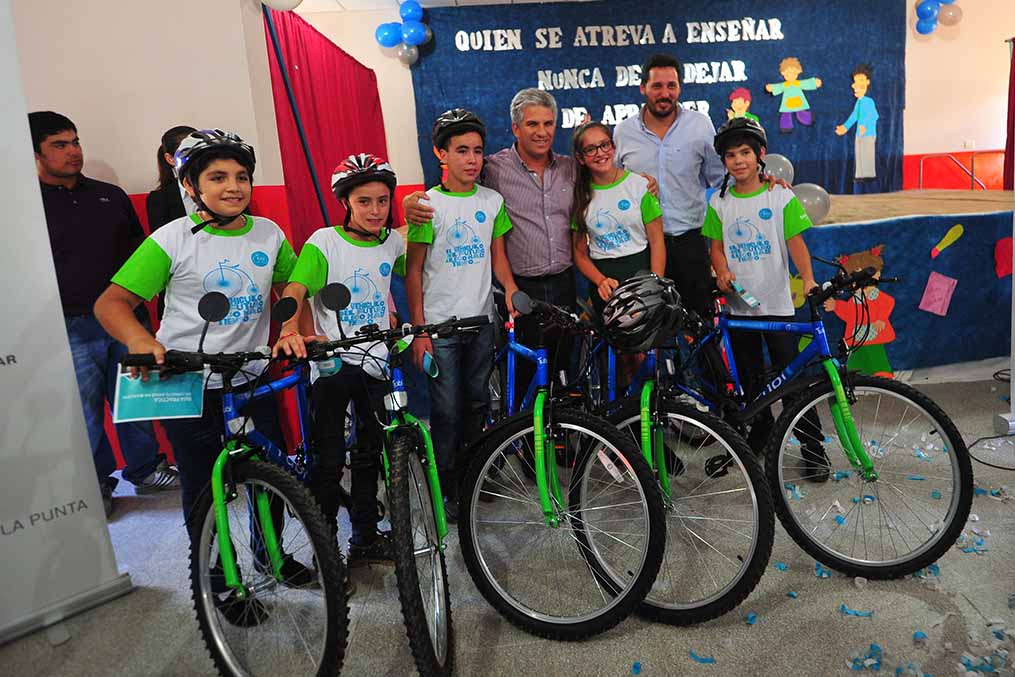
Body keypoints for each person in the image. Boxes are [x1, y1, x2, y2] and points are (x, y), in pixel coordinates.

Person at [92, 129, 316, 583]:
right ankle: (214, 573)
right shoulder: (172, 239)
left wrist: (292, 327)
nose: (233, 187)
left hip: (251, 376)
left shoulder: (269, 234)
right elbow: (110, 304)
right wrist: (141, 340)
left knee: (269, 477)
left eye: (242, 176)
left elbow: (292, 290)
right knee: (202, 487)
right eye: (218, 177)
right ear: (191, 186)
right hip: (188, 381)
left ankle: (272, 556)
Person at [29, 111, 177, 518]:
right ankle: (96, 483)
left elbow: (140, 255)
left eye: (75, 141)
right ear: (35, 152)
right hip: (68, 324)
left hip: (125, 320)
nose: (73, 152)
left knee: (136, 399)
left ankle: (146, 469)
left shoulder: (110, 196)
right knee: (85, 411)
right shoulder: (21, 205)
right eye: (60, 145)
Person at [403, 90, 577, 409]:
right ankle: (521, 446)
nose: (542, 132)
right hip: (521, 287)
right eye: (533, 123)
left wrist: (647, 181)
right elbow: (449, 189)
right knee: (521, 373)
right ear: (515, 128)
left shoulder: (570, 168)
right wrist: (408, 200)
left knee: (565, 369)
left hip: (565, 282)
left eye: (549, 123)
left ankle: (566, 443)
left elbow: (610, 178)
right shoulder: (493, 168)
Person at [273, 153, 403, 566]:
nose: (375, 210)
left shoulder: (392, 241)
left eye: (383, 201)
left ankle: (364, 536)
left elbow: (413, 265)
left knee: (370, 455)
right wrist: (289, 329)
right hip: (332, 364)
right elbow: (294, 289)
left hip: (376, 360)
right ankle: (326, 554)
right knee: (327, 463)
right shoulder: (323, 242)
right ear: (345, 203)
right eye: (364, 202)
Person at [405, 109, 518, 521]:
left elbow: (499, 260)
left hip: (481, 323)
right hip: (440, 330)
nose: (472, 159)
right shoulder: (425, 207)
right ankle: (446, 486)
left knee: (476, 406)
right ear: (441, 154)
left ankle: (475, 476)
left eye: (477, 151)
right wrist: (419, 332)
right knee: (446, 411)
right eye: (461, 151)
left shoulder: (492, 201)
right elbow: (413, 271)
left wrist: (512, 292)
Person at [702, 117, 828, 478]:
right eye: (730, 155)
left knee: (793, 383)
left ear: (760, 155)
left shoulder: (779, 195)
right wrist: (722, 270)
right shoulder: (719, 203)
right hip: (740, 311)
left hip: (778, 307)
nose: (738, 161)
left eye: (745, 152)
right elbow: (715, 248)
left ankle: (812, 446)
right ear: (723, 161)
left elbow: (795, 242)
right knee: (752, 380)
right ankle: (760, 434)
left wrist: (807, 279)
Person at [613, 54, 726, 320]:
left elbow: (722, 180)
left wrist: (762, 178)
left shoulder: (700, 125)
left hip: (691, 245)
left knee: (702, 329)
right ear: (643, 88)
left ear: (680, 88)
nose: (665, 93)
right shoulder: (622, 132)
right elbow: (613, 184)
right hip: (642, 249)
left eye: (671, 86)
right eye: (657, 86)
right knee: (647, 328)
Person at [570, 121, 665, 310]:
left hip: (642, 275)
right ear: (580, 158)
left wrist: (656, 285)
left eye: (604, 145)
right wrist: (600, 281)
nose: (600, 153)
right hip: (605, 285)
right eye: (590, 149)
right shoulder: (580, 195)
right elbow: (579, 253)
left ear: (613, 147)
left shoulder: (640, 186)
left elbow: (657, 242)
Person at [146, 125, 198, 232]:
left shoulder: (224, 187)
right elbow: (162, 242)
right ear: (170, 159)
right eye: (188, 153)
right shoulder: (159, 199)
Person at [835, 63, 878, 182]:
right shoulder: (859, 102)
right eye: (856, 81)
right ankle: (860, 175)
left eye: (861, 80)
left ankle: (869, 175)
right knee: (859, 153)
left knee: (867, 154)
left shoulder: (869, 101)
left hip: (868, 133)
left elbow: (874, 116)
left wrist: (866, 126)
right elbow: (854, 116)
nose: (857, 84)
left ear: (867, 82)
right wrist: (844, 127)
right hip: (859, 133)